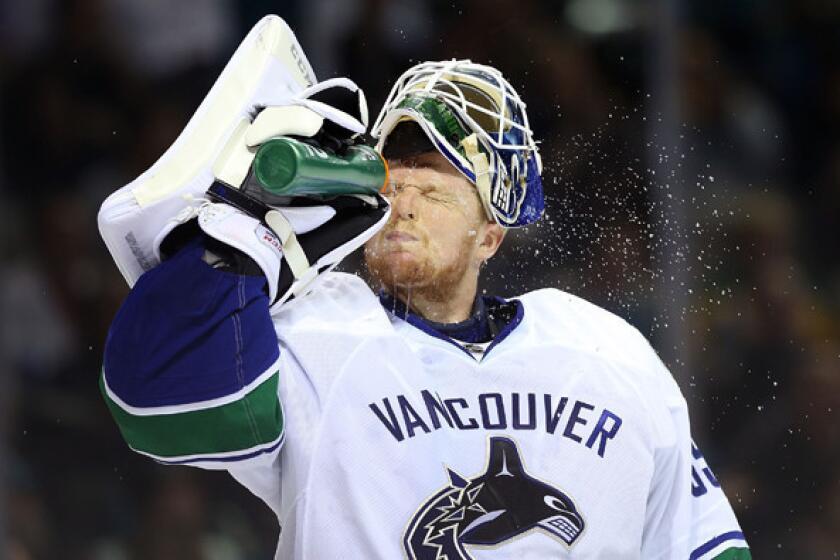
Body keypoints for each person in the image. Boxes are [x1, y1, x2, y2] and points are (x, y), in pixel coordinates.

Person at [98, 18, 750, 559]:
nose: (402, 205)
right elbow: (155, 403)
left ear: (490, 237)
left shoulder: (608, 350)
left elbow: (705, 546)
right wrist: (240, 234)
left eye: (433, 191)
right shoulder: (314, 330)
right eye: (392, 185)